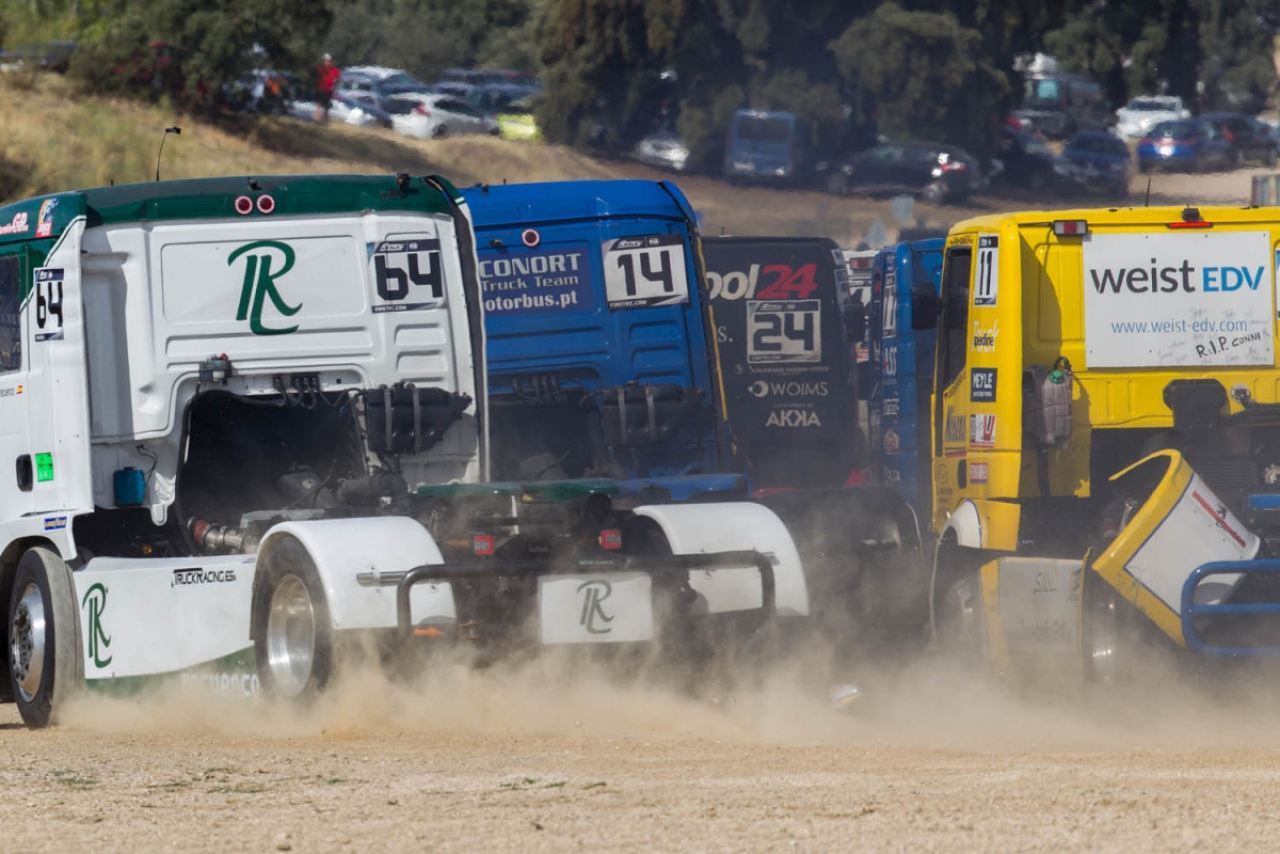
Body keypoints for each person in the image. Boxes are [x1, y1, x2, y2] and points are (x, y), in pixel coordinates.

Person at [315, 53, 340, 124]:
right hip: (320, 89)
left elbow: (337, 80)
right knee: (319, 105)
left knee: (326, 106)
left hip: (328, 90)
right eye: (325, 61)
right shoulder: (320, 68)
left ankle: (325, 121)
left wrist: (335, 87)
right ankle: (317, 120)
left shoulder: (334, 70)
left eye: (328, 61)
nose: (327, 62)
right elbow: (316, 77)